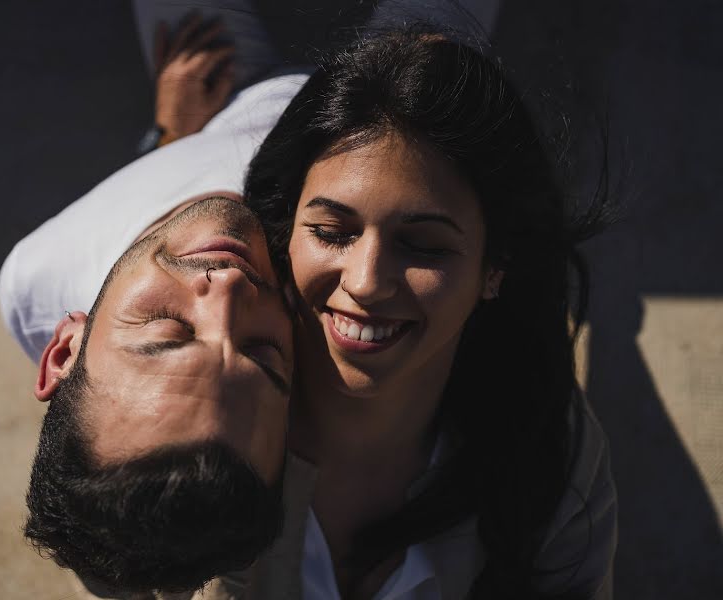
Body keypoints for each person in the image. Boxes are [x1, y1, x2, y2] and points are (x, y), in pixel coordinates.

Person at [236, 25, 618, 600]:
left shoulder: (549, 446)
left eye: (424, 246)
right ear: (286, 231)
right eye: (331, 232)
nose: (365, 283)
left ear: (496, 266)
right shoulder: (209, 402)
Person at [0, 11, 306, 595]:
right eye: (265, 353)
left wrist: (166, 141)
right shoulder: (353, 272)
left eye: (166, 331)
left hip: (229, 93)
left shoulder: (34, 280)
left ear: (63, 348)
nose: (230, 292)